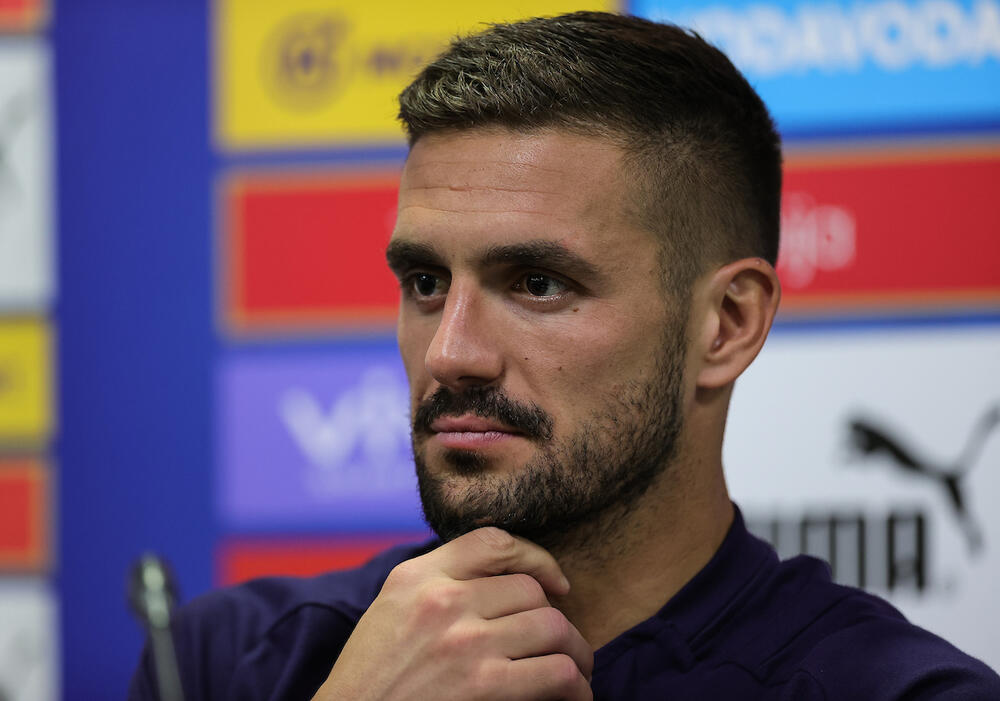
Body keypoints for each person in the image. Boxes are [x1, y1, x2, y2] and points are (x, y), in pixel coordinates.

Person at [130, 11, 1000, 700]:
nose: (451, 352)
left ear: (727, 324)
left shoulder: (899, 690)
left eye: (538, 284)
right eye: (426, 281)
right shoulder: (228, 661)